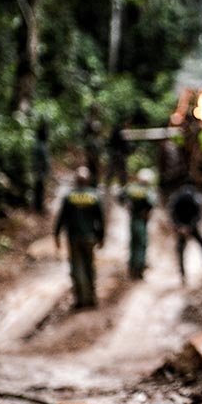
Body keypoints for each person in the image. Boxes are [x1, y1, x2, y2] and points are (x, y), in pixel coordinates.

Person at [54, 166, 105, 308]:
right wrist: (101, 237)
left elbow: (61, 218)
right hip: (90, 238)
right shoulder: (94, 196)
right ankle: (91, 297)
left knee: (77, 268)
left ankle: (80, 299)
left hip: (74, 238)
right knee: (89, 266)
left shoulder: (69, 197)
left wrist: (56, 235)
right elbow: (100, 219)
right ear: (88, 180)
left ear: (76, 180)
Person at [167, 180, 202, 285]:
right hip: (188, 226)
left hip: (183, 227)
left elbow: (172, 212)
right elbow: (199, 214)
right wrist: (189, 226)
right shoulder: (195, 197)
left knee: (181, 249)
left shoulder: (177, 196)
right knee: (201, 243)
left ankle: (183, 275)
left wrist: (180, 226)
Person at [120, 168, 156, 279]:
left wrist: (127, 206)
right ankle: (139, 270)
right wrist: (146, 212)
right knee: (141, 244)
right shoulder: (147, 190)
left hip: (133, 219)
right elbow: (152, 203)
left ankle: (131, 269)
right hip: (141, 220)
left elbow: (120, 196)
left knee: (133, 244)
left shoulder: (131, 188)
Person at [32, 122, 50, 213]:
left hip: (39, 169)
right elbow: (43, 160)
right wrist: (43, 170)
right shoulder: (41, 145)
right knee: (39, 188)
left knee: (39, 188)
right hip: (40, 170)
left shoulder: (39, 144)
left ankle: (38, 206)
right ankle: (38, 207)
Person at [107, 121, 130, 186]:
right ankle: (123, 184)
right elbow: (125, 144)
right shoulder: (122, 132)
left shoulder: (116, 130)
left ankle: (108, 183)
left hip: (115, 153)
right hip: (119, 154)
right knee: (120, 170)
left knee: (112, 170)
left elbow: (110, 142)